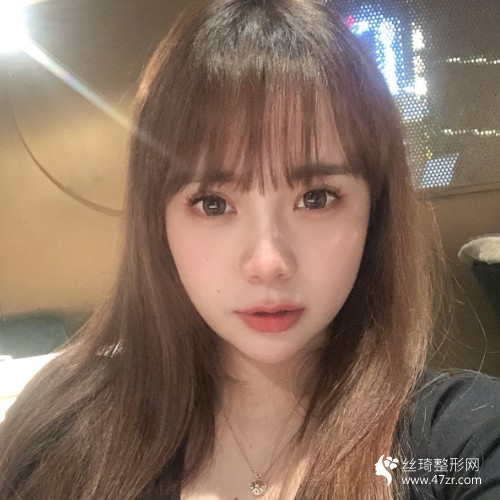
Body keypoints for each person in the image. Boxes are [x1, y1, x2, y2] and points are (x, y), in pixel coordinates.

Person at [1, 0, 499, 499]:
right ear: (157, 220)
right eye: (213, 203)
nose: (268, 264)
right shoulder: (61, 432)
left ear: (376, 210)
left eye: (316, 198)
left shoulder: (460, 440)